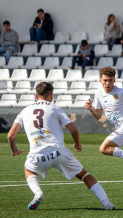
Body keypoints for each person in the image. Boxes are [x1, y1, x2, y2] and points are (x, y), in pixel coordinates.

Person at [7, 82, 115, 210]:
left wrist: (14, 149)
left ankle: (38, 193)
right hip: (58, 152)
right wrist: (77, 144)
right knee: (85, 176)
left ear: (36, 95)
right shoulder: (55, 108)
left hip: (37, 155)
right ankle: (106, 202)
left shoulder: (24, 111)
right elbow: (73, 130)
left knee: (28, 169)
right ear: (51, 95)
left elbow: (10, 135)